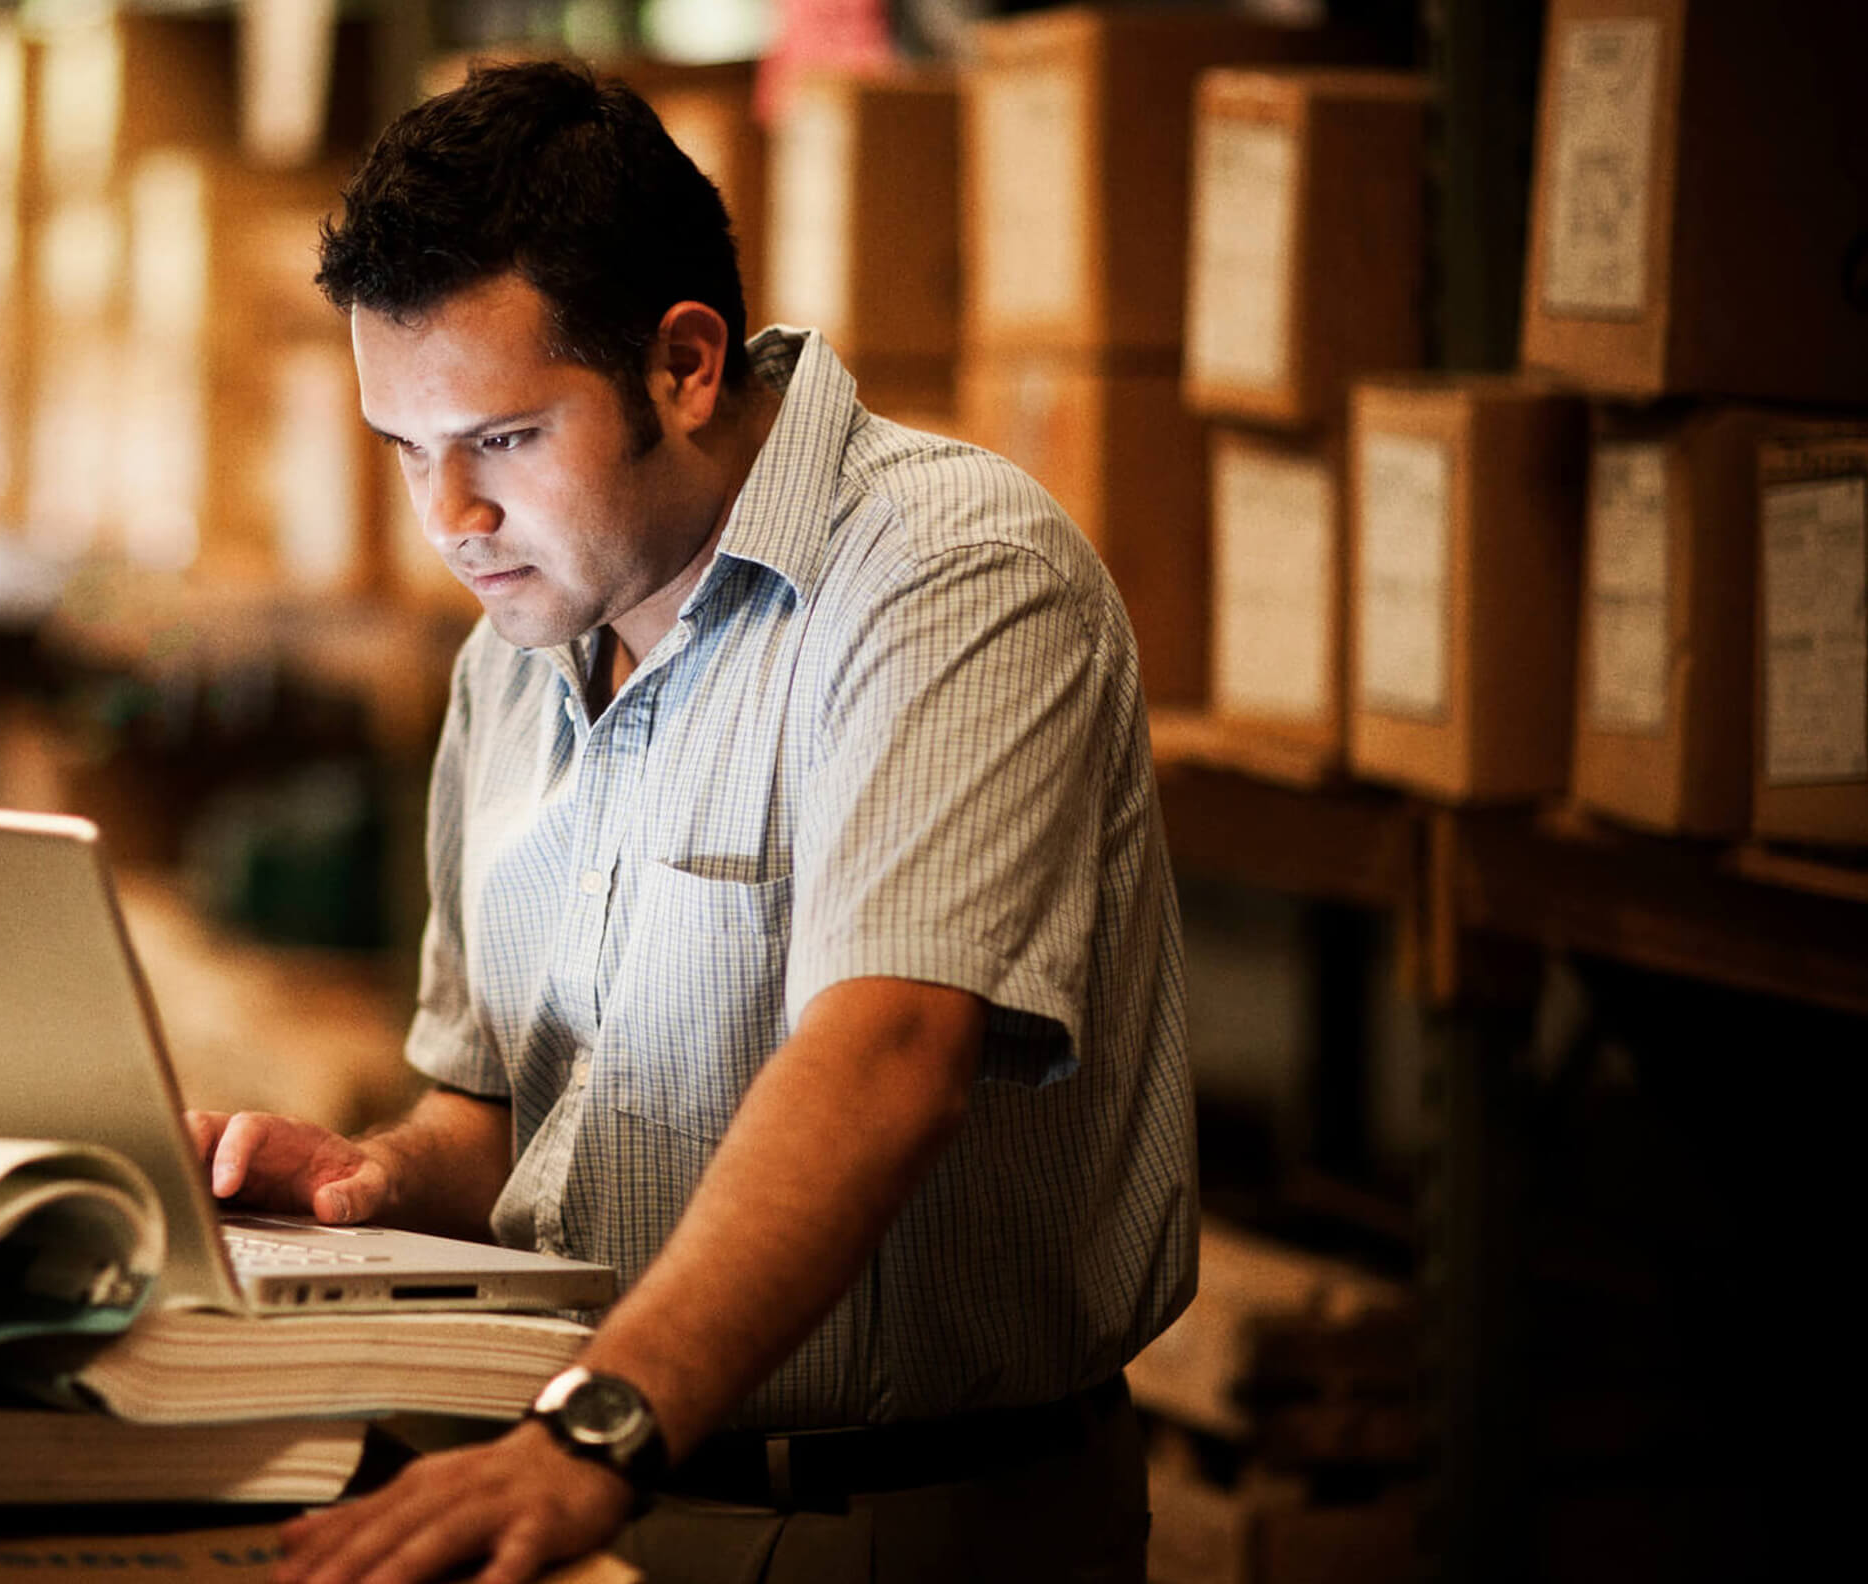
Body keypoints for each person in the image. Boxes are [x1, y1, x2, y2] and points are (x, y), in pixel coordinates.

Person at [185, 59, 1196, 1584]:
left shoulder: (952, 579)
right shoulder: (512, 654)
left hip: (893, 1520)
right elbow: (505, 1114)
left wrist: (597, 1428)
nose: (448, 516)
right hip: (588, 1480)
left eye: (504, 439)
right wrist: (373, 1187)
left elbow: (889, 1057)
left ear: (684, 365)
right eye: (406, 449)